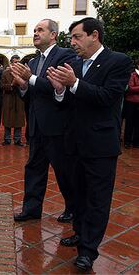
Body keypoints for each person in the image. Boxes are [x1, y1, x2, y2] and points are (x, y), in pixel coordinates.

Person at [46, 17, 132, 271]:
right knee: (78, 195)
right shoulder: (74, 64)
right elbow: (67, 103)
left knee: (97, 199)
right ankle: (81, 233)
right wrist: (60, 90)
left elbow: (107, 98)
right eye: (70, 38)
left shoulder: (118, 61)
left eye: (77, 37)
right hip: (74, 143)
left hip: (100, 145)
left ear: (94, 35)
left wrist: (74, 84)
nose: (72, 43)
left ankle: (88, 250)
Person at [10, 19, 77, 223]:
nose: (35, 33)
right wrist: (22, 86)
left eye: (40, 30)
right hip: (36, 125)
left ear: (53, 35)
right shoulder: (32, 61)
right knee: (34, 168)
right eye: (34, 30)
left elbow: (59, 87)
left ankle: (73, 208)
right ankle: (31, 209)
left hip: (57, 126)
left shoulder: (65, 55)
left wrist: (30, 79)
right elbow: (30, 94)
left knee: (64, 171)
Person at [1, 55, 25, 146]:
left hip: (19, 99)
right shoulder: (5, 73)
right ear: (11, 63)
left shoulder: (22, 73)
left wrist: (20, 83)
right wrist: (11, 85)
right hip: (8, 98)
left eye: (19, 62)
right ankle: (7, 139)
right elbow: (2, 86)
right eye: (15, 62)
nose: (17, 64)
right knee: (7, 119)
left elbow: (25, 85)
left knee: (19, 119)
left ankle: (17, 139)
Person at [124, 59, 139, 148]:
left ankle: (136, 142)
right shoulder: (133, 75)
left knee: (138, 123)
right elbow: (130, 88)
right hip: (131, 102)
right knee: (129, 122)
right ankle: (127, 141)